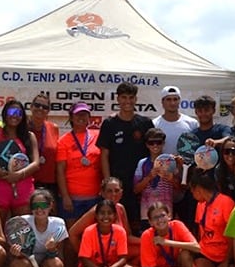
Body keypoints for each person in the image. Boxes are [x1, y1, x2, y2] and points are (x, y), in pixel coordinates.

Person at [97, 82, 156, 235]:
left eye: (131, 97)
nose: (127, 101)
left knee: (141, 225)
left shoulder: (145, 123)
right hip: (118, 185)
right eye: (124, 97)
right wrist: (107, 181)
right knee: (117, 225)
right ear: (118, 99)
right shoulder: (109, 124)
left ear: (136, 99)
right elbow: (104, 154)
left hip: (140, 184)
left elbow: (153, 151)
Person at [4, 188, 67, 267]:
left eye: (43, 205)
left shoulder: (59, 223)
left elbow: (60, 256)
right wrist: (16, 253)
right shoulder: (22, 222)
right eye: (35, 206)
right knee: (19, 264)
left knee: (56, 264)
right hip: (27, 265)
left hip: (45, 265)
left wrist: (52, 250)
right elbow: (12, 256)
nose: (39, 209)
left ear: (50, 205)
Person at [0, 99, 40, 216]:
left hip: (23, 186)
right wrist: (7, 176)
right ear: (5, 114)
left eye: (18, 113)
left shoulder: (29, 136)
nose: (14, 116)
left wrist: (18, 175)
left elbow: (36, 163)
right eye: (11, 112)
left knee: (21, 228)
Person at [76, 200, 139, 267]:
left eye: (109, 213)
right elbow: (84, 259)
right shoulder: (88, 231)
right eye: (102, 213)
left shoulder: (120, 231)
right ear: (96, 216)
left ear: (115, 216)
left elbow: (123, 258)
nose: (106, 216)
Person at [56, 103, 102, 222]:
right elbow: (60, 171)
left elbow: (104, 163)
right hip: (72, 198)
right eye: (78, 114)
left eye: (85, 114)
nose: (81, 117)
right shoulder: (63, 141)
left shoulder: (98, 136)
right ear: (71, 117)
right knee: (72, 236)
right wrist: (65, 196)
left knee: (91, 234)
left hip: (94, 196)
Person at [134, 128, 178, 233]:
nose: (155, 145)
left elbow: (180, 187)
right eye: (151, 143)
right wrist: (149, 177)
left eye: (158, 142)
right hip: (147, 214)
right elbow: (135, 189)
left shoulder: (171, 162)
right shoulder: (142, 163)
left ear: (163, 143)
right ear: (147, 145)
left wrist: (171, 179)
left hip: (166, 213)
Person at [27, 93, 61, 193]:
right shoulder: (22, 128)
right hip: (27, 182)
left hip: (50, 184)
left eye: (45, 107)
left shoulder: (54, 128)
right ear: (31, 107)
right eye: (37, 105)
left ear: (48, 111)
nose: (40, 108)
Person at [155, 86, 197, 155]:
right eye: (168, 99)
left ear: (179, 101)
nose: (172, 103)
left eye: (175, 99)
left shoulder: (192, 123)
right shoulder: (155, 124)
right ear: (162, 102)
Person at [214, 135, 235, 204]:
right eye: (226, 151)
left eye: (234, 152)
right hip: (228, 206)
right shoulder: (219, 170)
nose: (230, 155)